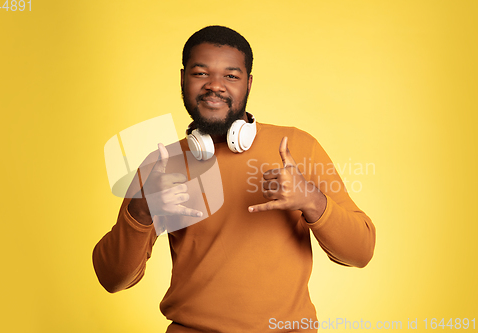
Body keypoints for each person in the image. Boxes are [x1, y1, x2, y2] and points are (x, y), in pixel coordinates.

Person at [93, 25, 376, 332]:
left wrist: (311, 200)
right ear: (183, 78)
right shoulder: (162, 166)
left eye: (231, 76)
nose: (215, 86)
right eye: (201, 73)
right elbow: (113, 279)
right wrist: (141, 210)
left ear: (249, 84)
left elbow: (359, 253)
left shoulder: (297, 147)